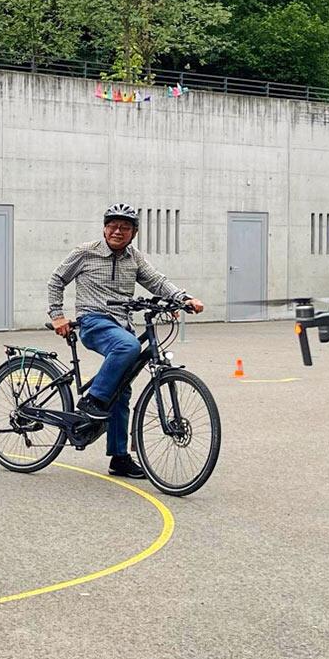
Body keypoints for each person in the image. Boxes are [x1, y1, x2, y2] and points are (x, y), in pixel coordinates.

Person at [46, 203, 204, 478]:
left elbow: (156, 281)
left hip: (122, 324)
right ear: (105, 228)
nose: (118, 231)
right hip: (93, 322)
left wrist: (183, 298)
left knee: (122, 390)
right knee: (128, 347)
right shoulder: (86, 252)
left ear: (134, 233)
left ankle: (119, 458)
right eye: (113, 226)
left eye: (125, 227)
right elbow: (57, 279)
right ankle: (93, 401)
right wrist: (57, 315)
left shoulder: (134, 258)